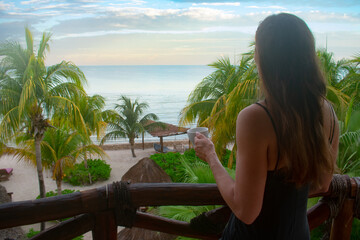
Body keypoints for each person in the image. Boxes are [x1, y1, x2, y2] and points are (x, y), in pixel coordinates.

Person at [194, 13, 339, 239]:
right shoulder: (327, 112)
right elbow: (323, 183)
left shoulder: (256, 118)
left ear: (264, 59)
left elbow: (246, 211)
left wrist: (211, 156)